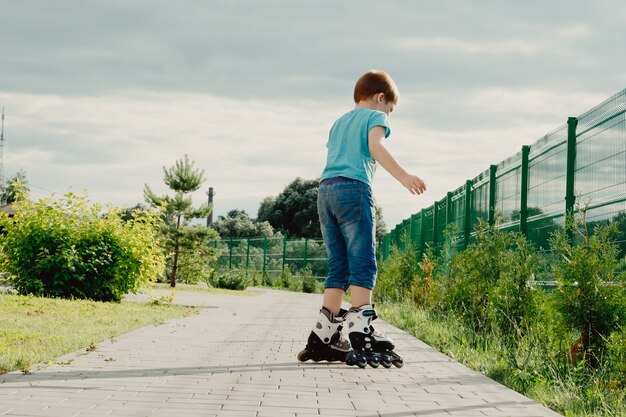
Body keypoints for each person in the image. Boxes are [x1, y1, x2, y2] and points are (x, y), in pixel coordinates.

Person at [297, 70, 426, 368]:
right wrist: (404, 176)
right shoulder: (375, 118)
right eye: (389, 108)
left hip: (325, 192)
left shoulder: (338, 122)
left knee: (338, 266)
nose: (388, 114)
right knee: (363, 261)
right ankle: (361, 329)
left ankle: (324, 335)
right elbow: (375, 147)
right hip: (353, 190)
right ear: (381, 98)